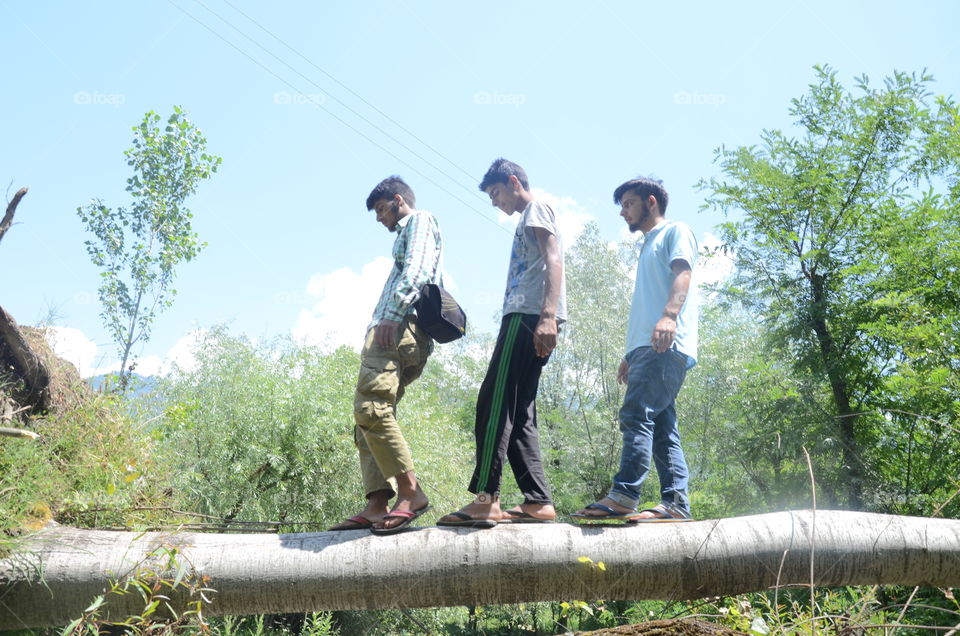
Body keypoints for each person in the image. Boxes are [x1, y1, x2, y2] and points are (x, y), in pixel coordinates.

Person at [438, 158, 565, 528]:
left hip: (527, 317)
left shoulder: (536, 208)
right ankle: (537, 501)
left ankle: (486, 499)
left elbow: (553, 258)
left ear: (513, 182)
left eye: (496, 193)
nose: (495, 202)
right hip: (530, 316)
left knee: (493, 402)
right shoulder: (529, 216)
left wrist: (547, 316)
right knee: (520, 411)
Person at [573, 177, 699, 523]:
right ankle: (675, 504)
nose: (622, 211)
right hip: (649, 348)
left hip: (664, 344)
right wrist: (630, 354)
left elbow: (683, 273)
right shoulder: (648, 245)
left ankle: (624, 494)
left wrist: (670, 317)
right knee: (661, 427)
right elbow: (646, 305)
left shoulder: (676, 231)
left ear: (651, 201)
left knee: (635, 415)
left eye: (628, 203)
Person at [329, 176, 442, 535]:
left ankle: (410, 493)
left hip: (398, 325)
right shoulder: (405, 231)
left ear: (397, 200)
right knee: (369, 416)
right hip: (396, 327)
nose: (380, 219)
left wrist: (392, 316)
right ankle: (377, 504)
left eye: (381, 209)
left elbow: (418, 269)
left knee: (371, 408)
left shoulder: (420, 220)